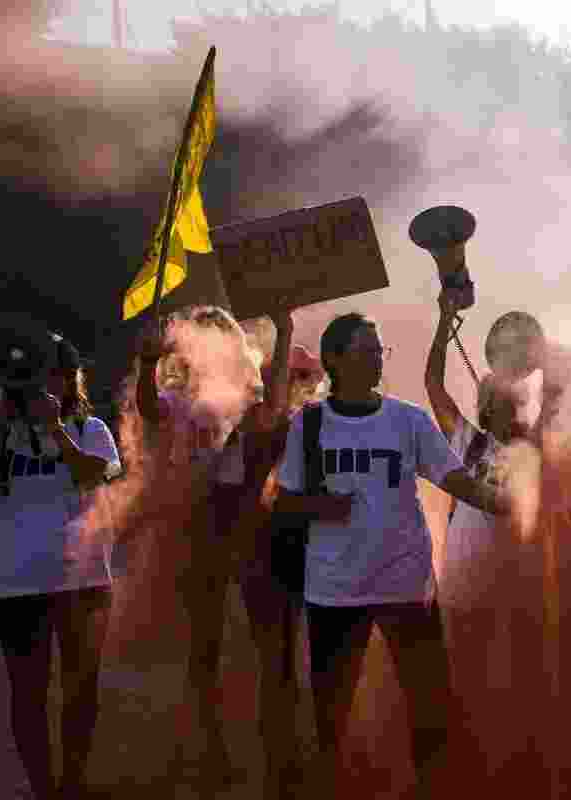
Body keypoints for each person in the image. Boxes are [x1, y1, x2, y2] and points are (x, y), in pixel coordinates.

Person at [272, 312, 508, 796]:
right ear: (336, 359)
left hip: (407, 587)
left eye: (381, 351)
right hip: (335, 592)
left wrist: (503, 503)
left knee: (430, 708)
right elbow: (286, 502)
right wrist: (321, 505)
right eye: (367, 351)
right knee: (332, 716)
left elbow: (454, 478)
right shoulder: (309, 425)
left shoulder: (408, 419)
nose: (378, 359)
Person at [134, 304, 263, 787]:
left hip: (246, 534)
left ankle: (237, 748)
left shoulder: (250, 397)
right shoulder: (177, 399)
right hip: (194, 535)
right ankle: (203, 752)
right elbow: (149, 407)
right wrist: (148, 364)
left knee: (241, 649)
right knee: (202, 650)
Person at [425, 290, 542, 786]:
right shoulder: (471, 444)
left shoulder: (545, 449)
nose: (511, 405)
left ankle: (520, 769)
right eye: (500, 400)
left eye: (516, 398)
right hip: (468, 589)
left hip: (524, 590)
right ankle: (473, 773)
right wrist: (443, 322)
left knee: (524, 688)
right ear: (487, 408)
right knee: (469, 687)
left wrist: (540, 355)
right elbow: (432, 385)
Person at [0, 330, 120, 800]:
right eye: (34, 375)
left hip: (81, 579)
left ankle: (73, 783)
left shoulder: (91, 429)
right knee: (27, 696)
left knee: (80, 688)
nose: (43, 385)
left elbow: (96, 475)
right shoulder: (4, 430)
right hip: (17, 583)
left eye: (55, 373)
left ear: (71, 379)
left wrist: (55, 430)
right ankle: (43, 789)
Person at [234, 307, 326, 800]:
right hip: (265, 558)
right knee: (277, 670)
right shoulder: (256, 418)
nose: (307, 385)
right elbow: (269, 420)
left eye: (311, 377)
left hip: (316, 557)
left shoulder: (321, 421)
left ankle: (307, 768)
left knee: (312, 670)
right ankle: (280, 775)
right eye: (298, 376)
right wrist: (285, 326)